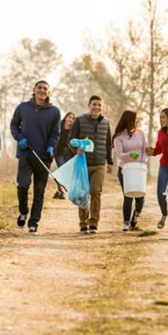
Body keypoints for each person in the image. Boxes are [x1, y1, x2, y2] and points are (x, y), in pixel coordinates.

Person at [10, 81, 61, 234]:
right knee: (23, 185)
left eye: (45, 89)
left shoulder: (54, 111)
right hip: (26, 153)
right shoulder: (23, 107)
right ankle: (23, 211)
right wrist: (19, 138)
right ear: (34, 90)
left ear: (49, 92)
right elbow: (13, 125)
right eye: (39, 87)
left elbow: (55, 133)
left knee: (39, 190)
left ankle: (34, 222)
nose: (42, 90)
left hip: (44, 156)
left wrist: (51, 146)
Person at [67, 96, 114, 234]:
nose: (97, 107)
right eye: (94, 104)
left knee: (95, 192)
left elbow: (107, 144)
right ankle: (83, 223)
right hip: (83, 163)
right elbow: (70, 140)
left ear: (102, 107)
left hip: (99, 164)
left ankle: (93, 223)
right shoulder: (79, 121)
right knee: (83, 193)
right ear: (89, 105)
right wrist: (76, 149)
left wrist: (109, 161)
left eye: (99, 105)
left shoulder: (106, 123)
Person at [113, 110, 149, 233]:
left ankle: (136, 217)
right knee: (128, 195)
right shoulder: (119, 137)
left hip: (139, 169)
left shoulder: (141, 134)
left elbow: (145, 151)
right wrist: (130, 155)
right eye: (135, 118)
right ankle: (126, 223)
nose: (138, 121)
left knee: (140, 196)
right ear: (129, 120)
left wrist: (143, 161)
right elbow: (120, 155)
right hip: (125, 170)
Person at [52, 112, 77, 200]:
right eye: (69, 117)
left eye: (73, 118)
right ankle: (62, 191)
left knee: (67, 173)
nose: (70, 119)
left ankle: (59, 191)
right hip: (59, 152)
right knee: (62, 170)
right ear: (66, 117)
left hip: (69, 153)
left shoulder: (73, 129)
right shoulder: (58, 126)